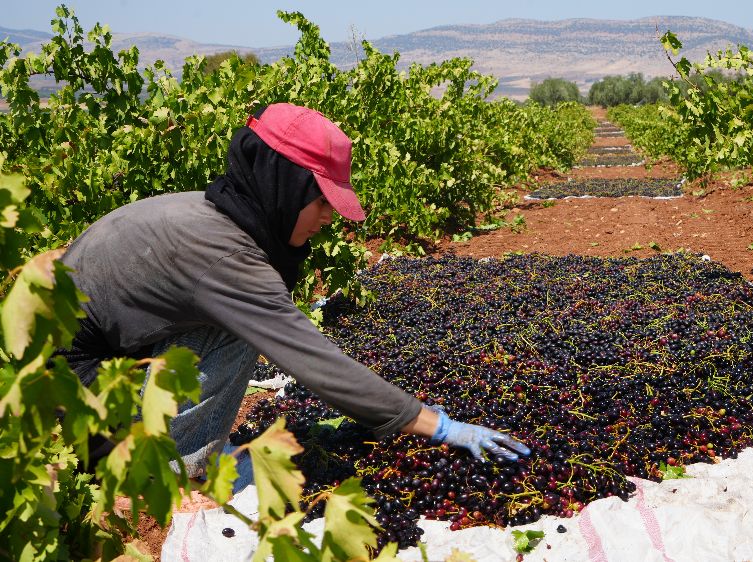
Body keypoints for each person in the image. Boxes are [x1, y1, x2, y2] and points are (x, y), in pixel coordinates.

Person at [58, 102, 530, 478]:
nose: (328, 217)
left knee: (239, 322)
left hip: (96, 356)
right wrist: (434, 424)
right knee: (249, 327)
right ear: (285, 185)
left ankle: (161, 446)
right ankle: (161, 472)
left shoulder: (215, 214)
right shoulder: (225, 258)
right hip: (75, 388)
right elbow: (312, 360)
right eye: (322, 200)